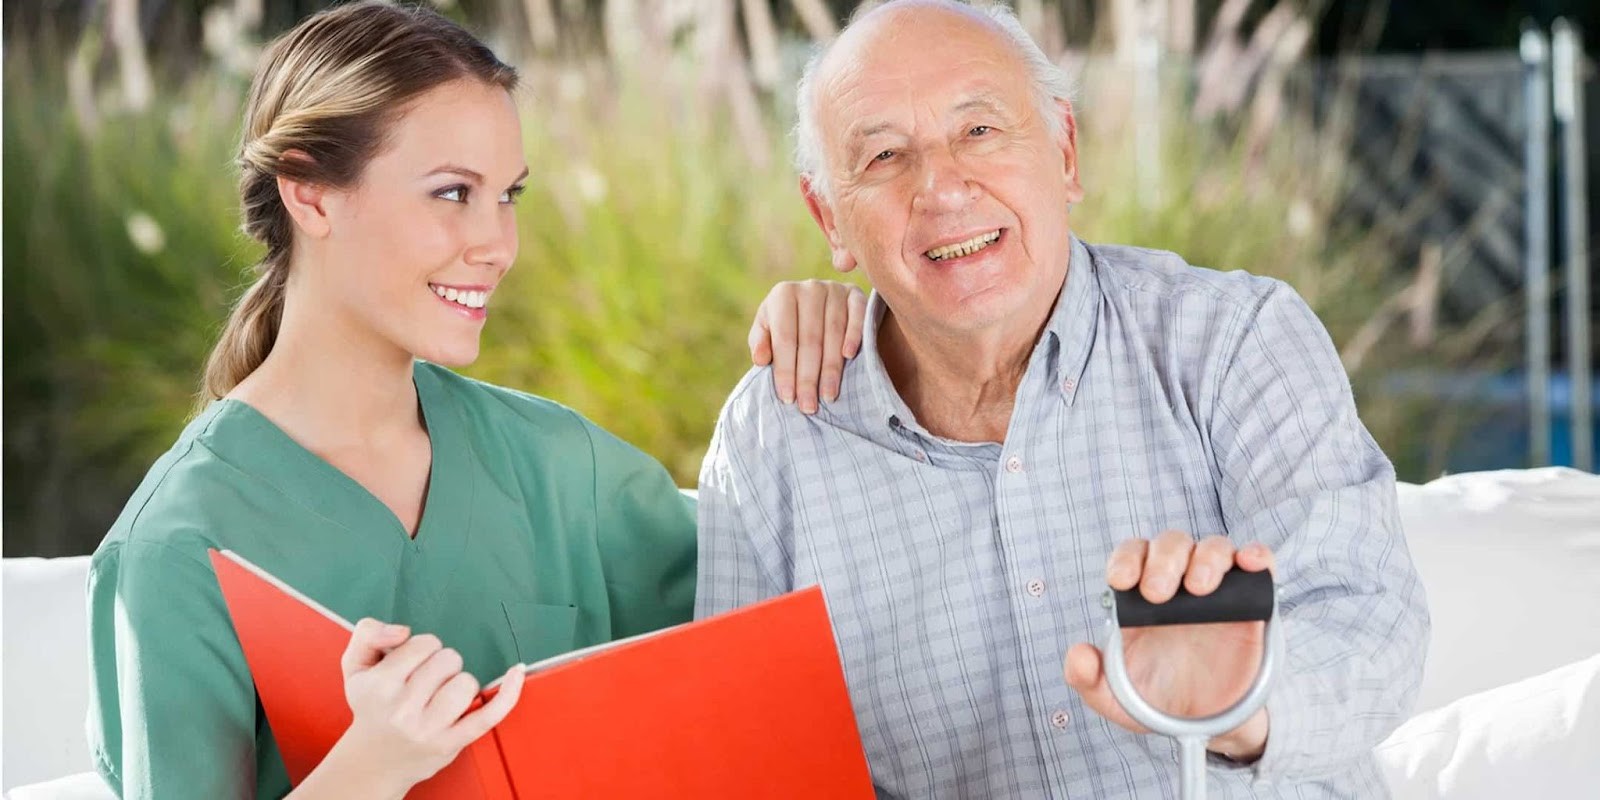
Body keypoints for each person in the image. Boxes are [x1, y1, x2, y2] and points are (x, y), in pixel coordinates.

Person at [85, 3, 865, 797]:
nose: (498, 244)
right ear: (311, 196)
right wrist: (367, 770)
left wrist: (854, 339)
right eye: (453, 193)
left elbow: (808, 608)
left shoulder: (562, 468)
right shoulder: (177, 549)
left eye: (509, 195)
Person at [695, 1, 1430, 797]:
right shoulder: (773, 435)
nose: (942, 187)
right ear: (829, 217)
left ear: (1066, 152)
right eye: (883, 157)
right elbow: (751, 760)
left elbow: (1369, 625)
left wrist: (1233, 705)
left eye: (979, 131)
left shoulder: (1233, 341)